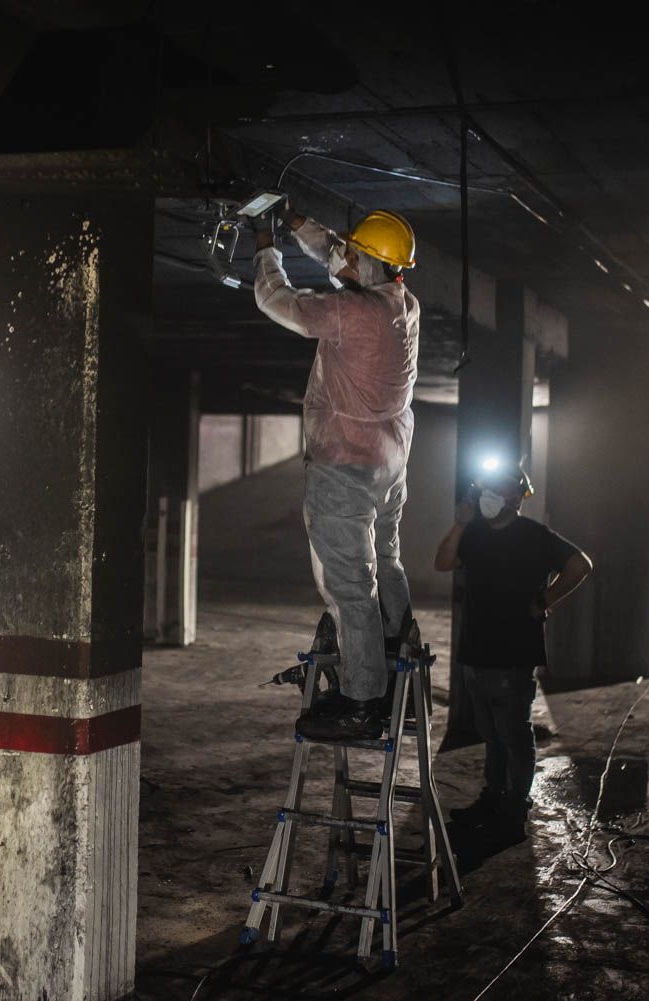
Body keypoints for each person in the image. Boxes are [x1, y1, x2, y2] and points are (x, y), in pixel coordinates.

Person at [251, 205, 421, 740]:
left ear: (372, 264)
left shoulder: (353, 314)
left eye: (354, 254)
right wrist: (299, 225)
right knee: (387, 560)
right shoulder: (402, 304)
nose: (343, 258)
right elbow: (343, 256)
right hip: (388, 460)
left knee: (349, 586)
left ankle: (362, 700)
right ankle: (396, 656)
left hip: (344, 465)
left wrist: (266, 247)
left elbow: (276, 301)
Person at [434, 459, 593, 841]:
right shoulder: (473, 534)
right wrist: (460, 521)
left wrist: (545, 599)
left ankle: (514, 806)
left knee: (513, 734)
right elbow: (442, 562)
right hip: (476, 653)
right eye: (485, 487)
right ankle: (493, 796)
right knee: (490, 733)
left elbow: (580, 564)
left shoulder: (534, 536)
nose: (489, 494)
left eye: (498, 489)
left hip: (513, 656)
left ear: (516, 498)